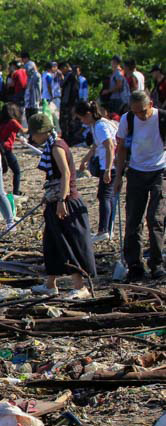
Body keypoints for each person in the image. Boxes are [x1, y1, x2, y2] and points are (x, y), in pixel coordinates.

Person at [27, 113, 96, 299]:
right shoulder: (52, 145)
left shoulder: (57, 147)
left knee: (69, 244)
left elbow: (66, 174)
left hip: (66, 202)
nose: (32, 138)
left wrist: (62, 201)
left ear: (42, 132)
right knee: (51, 243)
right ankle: (50, 284)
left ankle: (80, 286)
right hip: (55, 199)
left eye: (34, 134)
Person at [113, 90, 166, 281]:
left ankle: (156, 264)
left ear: (151, 104)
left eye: (143, 111)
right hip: (135, 172)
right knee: (133, 220)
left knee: (155, 219)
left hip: (159, 171)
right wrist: (118, 177)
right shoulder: (128, 120)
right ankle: (135, 265)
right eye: (136, 112)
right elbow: (121, 149)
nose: (141, 116)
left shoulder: (162, 118)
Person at [76, 100, 118, 242]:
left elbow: (110, 146)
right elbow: (96, 146)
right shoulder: (96, 125)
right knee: (108, 196)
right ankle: (108, 229)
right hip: (107, 165)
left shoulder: (100, 125)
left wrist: (107, 168)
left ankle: (104, 230)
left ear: (88, 114)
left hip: (110, 166)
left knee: (104, 196)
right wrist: (84, 160)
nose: (81, 121)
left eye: (81, 118)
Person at [0, 103, 26, 197]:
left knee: (0, 170)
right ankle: (16, 192)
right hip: (6, 150)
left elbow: (4, 135)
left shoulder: (1, 122)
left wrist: (17, 139)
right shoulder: (12, 121)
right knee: (16, 171)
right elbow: (23, 131)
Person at [24, 61, 42, 126]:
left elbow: (36, 75)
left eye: (27, 69)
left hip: (34, 103)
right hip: (28, 103)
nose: (26, 71)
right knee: (28, 120)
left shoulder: (36, 75)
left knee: (33, 120)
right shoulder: (29, 77)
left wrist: (34, 68)